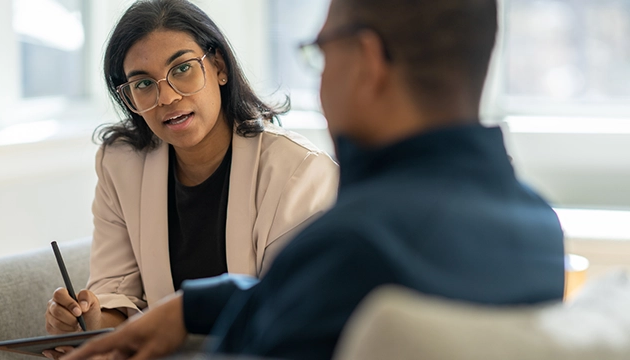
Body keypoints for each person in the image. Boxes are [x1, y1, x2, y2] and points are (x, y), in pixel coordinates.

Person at [63, 0, 566, 359]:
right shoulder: (538, 227)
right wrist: (191, 308)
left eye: (322, 52)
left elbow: (318, 288)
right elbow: (297, 296)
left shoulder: (353, 244)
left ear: (366, 63)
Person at [42, 0, 339, 347]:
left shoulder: (298, 171)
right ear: (129, 100)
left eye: (182, 69)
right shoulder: (120, 164)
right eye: (143, 84)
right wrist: (88, 319)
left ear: (219, 66)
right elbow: (116, 294)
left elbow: (287, 311)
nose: (166, 97)